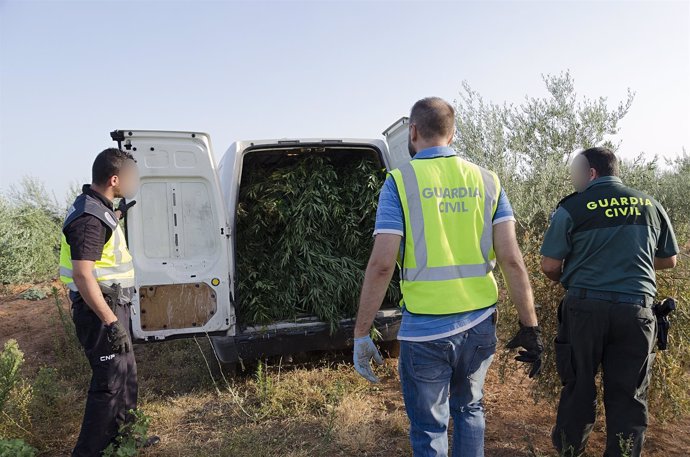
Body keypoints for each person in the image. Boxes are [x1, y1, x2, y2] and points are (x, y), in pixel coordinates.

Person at [352, 97, 543, 457]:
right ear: (452, 133)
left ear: (412, 132)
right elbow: (512, 260)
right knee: (470, 409)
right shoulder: (488, 181)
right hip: (480, 324)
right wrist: (530, 326)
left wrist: (362, 333)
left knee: (428, 427)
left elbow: (381, 264)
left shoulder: (399, 182)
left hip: (426, 332)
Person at [541, 147, 679, 457]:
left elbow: (549, 265)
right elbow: (669, 259)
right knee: (629, 398)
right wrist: (628, 261)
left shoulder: (573, 207)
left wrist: (581, 269)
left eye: (577, 173)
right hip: (637, 312)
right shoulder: (650, 204)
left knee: (578, 390)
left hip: (585, 311)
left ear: (591, 173)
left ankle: (570, 452)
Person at [59, 147, 158, 456]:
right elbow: (83, 275)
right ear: (115, 179)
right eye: (130, 177)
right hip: (100, 310)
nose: (134, 182)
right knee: (109, 382)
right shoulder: (89, 217)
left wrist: (115, 217)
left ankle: (126, 437)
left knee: (125, 371)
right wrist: (110, 321)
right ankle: (88, 452)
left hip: (113, 305)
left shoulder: (97, 210)